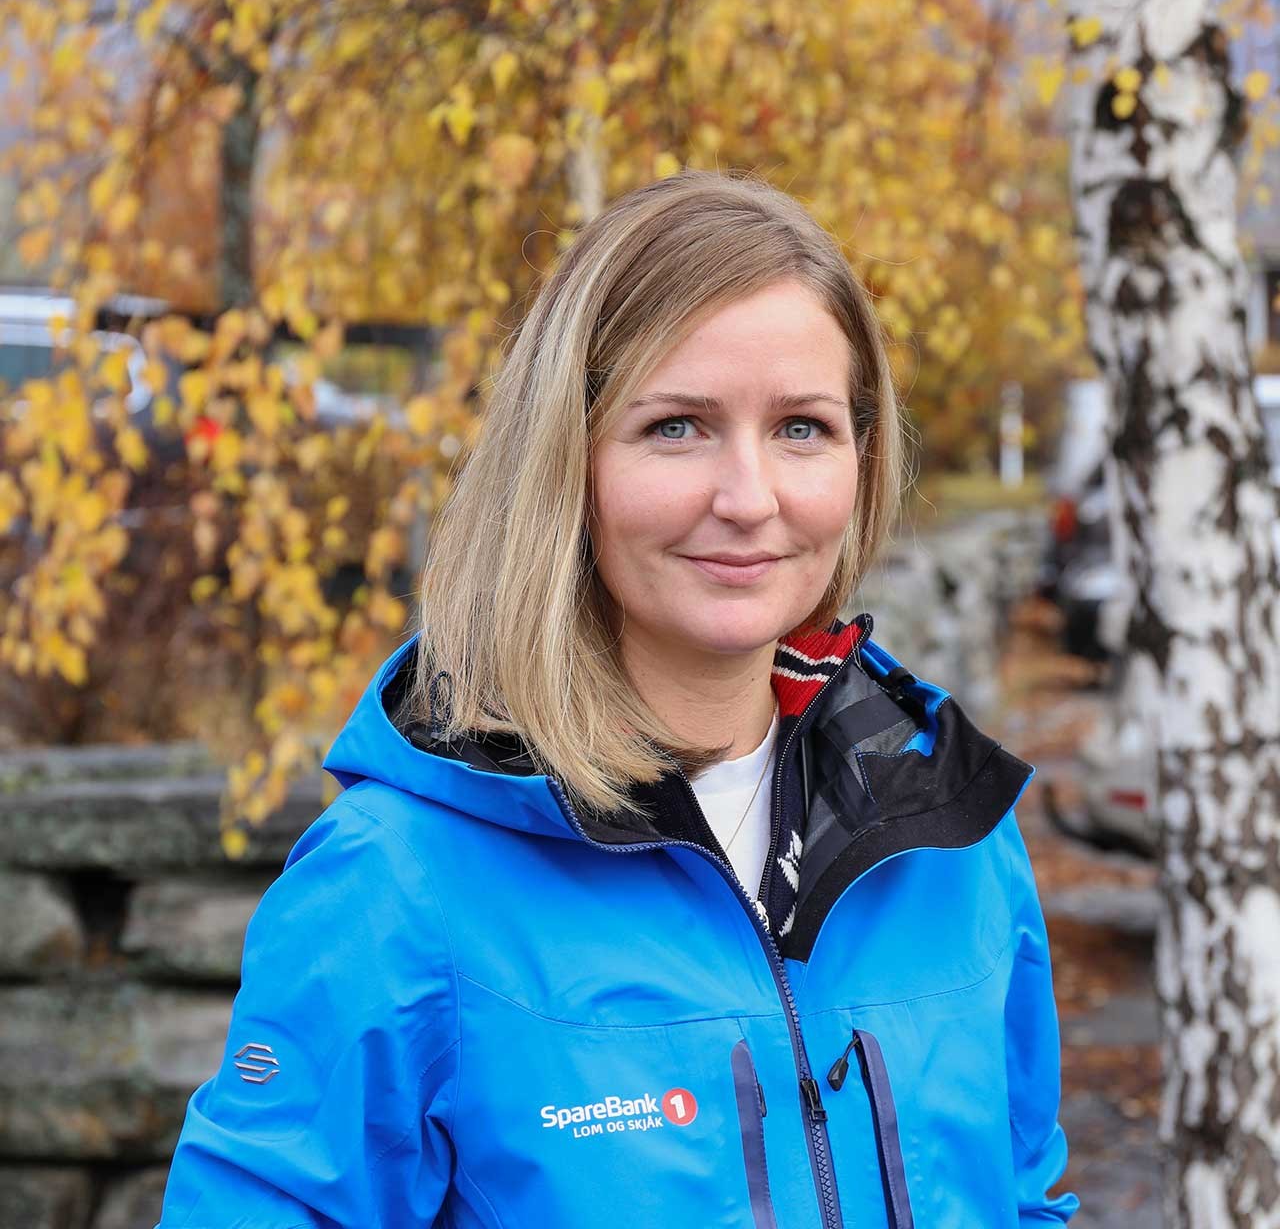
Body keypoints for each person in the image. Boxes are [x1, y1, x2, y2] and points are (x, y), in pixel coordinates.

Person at [155, 169, 1078, 1228]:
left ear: (862, 461)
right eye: (676, 426)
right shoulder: (397, 883)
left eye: (802, 427)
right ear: (568, 459)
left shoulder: (950, 833)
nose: (749, 497)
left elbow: (1022, 1197)